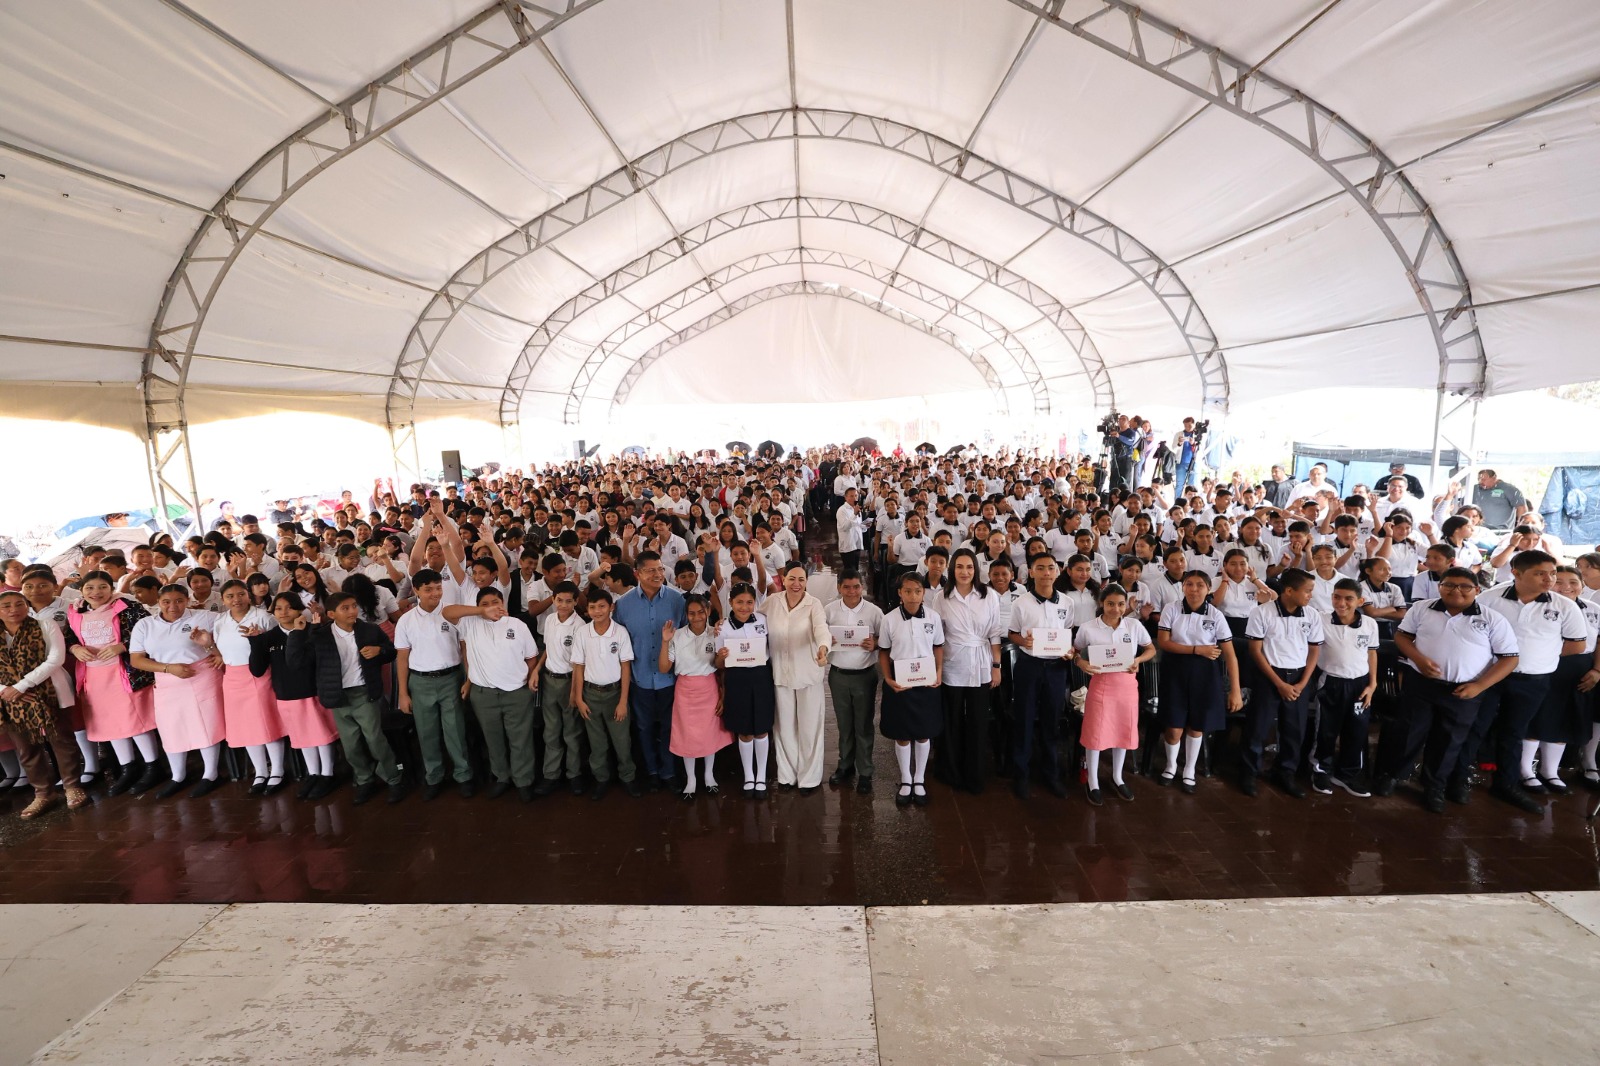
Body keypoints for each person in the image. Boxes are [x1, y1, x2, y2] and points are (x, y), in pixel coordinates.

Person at [1372, 567, 1520, 813]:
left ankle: (1434, 786)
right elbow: (1402, 637)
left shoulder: (1491, 618)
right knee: (1409, 731)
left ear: (1477, 590)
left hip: (1464, 690)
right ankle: (1394, 775)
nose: (1456, 591)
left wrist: (1479, 686)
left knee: (1449, 740)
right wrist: (1418, 659)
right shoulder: (1422, 609)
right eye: (1449, 585)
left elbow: (1509, 658)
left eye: (1464, 586)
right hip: (1421, 683)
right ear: (1440, 587)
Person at [1457, 550, 1588, 812]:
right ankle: (1457, 780)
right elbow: (1470, 631)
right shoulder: (1490, 598)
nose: (1549, 579)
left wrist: (1540, 656)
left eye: (1552, 573)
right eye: (1540, 573)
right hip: (1490, 676)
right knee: (1475, 727)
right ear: (1516, 573)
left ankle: (1505, 784)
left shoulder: (1564, 605)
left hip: (1534, 680)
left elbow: (1576, 644)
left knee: (1514, 732)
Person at [65, 570, 162, 796]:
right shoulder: (76, 610)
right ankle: (128, 768)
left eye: (102, 587)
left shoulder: (127, 606)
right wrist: (75, 648)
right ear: (81, 590)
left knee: (136, 721)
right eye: (90, 588)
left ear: (112, 588)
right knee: (110, 724)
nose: (96, 592)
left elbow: (147, 631)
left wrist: (123, 646)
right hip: (93, 676)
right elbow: (69, 636)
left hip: (124, 673)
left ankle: (153, 766)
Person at [305, 591, 405, 806]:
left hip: (364, 692)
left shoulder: (369, 630)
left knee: (375, 739)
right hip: (339, 696)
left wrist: (379, 650)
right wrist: (304, 632)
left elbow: (391, 651)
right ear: (331, 614)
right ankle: (364, 779)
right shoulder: (322, 635)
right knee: (351, 745)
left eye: (353, 606)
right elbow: (301, 661)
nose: (353, 611)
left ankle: (393, 778)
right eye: (346, 608)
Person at [128, 584, 226, 799]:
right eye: (166, 602)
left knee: (206, 723)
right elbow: (136, 659)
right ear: (158, 602)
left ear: (187, 600)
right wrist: (167, 668)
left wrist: (212, 649)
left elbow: (225, 640)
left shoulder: (206, 617)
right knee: (171, 727)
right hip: (167, 679)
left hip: (202, 675)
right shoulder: (146, 625)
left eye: (179, 601)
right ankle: (178, 775)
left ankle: (211, 773)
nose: (173, 606)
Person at [444, 588, 540, 802]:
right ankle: (501, 777)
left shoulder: (517, 625)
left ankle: (523, 780)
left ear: (503, 602)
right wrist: (480, 611)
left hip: (516, 692)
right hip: (483, 694)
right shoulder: (470, 624)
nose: (491, 606)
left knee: (520, 739)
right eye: (485, 603)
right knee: (493, 738)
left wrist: (521, 679)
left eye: (495, 601)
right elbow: (447, 612)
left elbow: (531, 658)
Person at [0, 590, 89, 818]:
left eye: (19, 604)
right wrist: (6, 691)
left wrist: (21, 686)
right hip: (11, 701)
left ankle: (72, 787)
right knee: (26, 749)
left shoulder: (44, 624)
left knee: (62, 740)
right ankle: (43, 793)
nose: (13, 609)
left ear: (26, 604)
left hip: (49, 692)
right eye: (6, 605)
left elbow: (56, 658)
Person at [1156, 571, 1242, 793]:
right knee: (1174, 726)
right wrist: (1196, 649)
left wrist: (1235, 690)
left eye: (1200, 585)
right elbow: (1164, 642)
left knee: (1197, 726)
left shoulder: (1215, 615)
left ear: (1209, 589)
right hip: (1174, 670)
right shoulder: (1171, 609)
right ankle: (1171, 765)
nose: (1194, 589)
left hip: (1205, 674)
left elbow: (1230, 655)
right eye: (1189, 584)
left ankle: (1189, 770)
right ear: (1182, 587)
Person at [1241, 568, 1324, 799]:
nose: (1310, 596)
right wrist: (1279, 683)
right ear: (1289, 590)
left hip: (1299, 678)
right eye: (1307, 591)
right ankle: (1250, 772)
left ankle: (1285, 772)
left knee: (1293, 730)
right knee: (1257, 727)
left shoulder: (1312, 615)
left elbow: (1314, 650)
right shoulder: (1262, 613)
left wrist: (1303, 682)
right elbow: (1256, 651)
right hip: (1269, 677)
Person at [393, 568, 473, 800]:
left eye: (438, 588)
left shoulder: (451, 613)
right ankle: (434, 776)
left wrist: (468, 678)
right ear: (416, 591)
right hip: (420, 682)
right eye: (428, 589)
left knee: (455, 730)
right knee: (426, 733)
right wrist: (403, 693)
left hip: (451, 678)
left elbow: (465, 649)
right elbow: (402, 658)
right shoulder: (406, 620)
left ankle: (463, 774)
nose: (434, 593)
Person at [253, 593, 341, 800]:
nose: (283, 613)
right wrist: (255, 642)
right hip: (285, 694)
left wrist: (301, 633)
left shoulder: (311, 630)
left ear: (300, 610)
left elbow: (309, 661)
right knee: (302, 737)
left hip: (312, 692)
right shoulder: (269, 636)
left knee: (322, 735)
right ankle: (313, 773)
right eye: (278, 609)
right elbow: (257, 669)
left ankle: (327, 773)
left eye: (289, 608)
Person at [1074, 583, 1155, 805]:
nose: (1116, 609)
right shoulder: (1088, 627)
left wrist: (1138, 660)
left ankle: (1118, 777)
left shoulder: (1133, 625)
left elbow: (1151, 649)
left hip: (1127, 687)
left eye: (1120, 604)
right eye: (1110, 604)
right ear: (1102, 603)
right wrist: (1081, 662)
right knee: (1095, 734)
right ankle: (1093, 781)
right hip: (1101, 686)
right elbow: (1074, 650)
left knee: (1123, 732)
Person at [612, 550, 686, 791]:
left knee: (668, 726)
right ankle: (652, 771)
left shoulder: (677, 600)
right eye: (651, 570)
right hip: (640, 678)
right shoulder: (623, 605)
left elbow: (686, 638)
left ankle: (668, 771)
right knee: (643, 727)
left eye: (661, 569)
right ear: (637, 573)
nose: (658, 574)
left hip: (670, 679)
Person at [1006, 554, 1078, 799]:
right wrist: (1021, 640)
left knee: (1052, 720)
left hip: (1056, 667)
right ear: (1031, 572)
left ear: (1058, 571)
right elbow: (1012, 633)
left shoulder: (1066, 602)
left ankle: (1051, 775)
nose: (1047, 572)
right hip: (1029, 665)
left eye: (1051, 568)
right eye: (1041, 568)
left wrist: (1068, 651)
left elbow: (1067, 632)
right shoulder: (1021, 603)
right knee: (1024, 720)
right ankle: (1021, 776)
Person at [932, 548, 1002, 795]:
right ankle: (950, 770)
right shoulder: (942, 597)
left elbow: (994, 633)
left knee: (977, 721)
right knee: (951, 720)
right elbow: (937, 636)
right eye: (959, 567)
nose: (965, 572)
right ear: (952, 570)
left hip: (981, 663)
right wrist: (938, 668)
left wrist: (996, 666)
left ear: (976, 569)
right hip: (952, 663)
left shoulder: (989, 596)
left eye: (969, 567)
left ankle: (974, 773)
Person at [209, 580, 288, 795]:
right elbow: (219, 648)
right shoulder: (220, 620)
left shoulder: (263, 617)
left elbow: (276, 644)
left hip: (259, 674)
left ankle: (278, 770)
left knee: (266, 722)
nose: (236, 600)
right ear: (223, 599)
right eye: (230, 596)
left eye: (240, 594)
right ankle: (261, 771)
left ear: (248, 595)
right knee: (245, 726)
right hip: (232, 677)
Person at [760, 562, 831, 793]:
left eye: (801, 579)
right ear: (784, 579)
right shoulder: (772, 602)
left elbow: (822, 629)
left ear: (807, 582)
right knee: (784, 728)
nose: (796, 584)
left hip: (808, 674)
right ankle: (787, 775)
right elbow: (753, 622)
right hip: (781, 674)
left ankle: (809, 778)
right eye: (792, 579)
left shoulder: (814, 605)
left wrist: (823, 648)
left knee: (810, 727)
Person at [878, 571, 945, 807]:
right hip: (901, 681)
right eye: (907, 591)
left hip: (926, 679)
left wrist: (938, 672)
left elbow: (938, 646)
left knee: (924, 732)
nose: (912, 596)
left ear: (924, 593)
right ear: (899, 593)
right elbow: (884, 651)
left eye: (917, 591)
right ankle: (906, 778)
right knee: (903, 733)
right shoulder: (890, 619)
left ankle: (919, 779)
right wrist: (887, 678)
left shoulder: (934, 618)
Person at [1533, 567, 1600, 794]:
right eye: (1559, 581)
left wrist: (1597, 670)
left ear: (1583, 584)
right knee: (1537, 717)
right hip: (1544, 666)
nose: (1566, 587)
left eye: (1573, 581)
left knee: (1565, 720)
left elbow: (1598, 642)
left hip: (1579, 670)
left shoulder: (1593, 609)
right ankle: (1524, 770)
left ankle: (1549, 771)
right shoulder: (1537, 605)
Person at [658, 594, 731, 800]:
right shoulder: (677, 635)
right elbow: (664, 668)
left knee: (709, 734)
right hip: (685, 690)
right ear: (686, 615)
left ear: (708, 611)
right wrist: (665, 642)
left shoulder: (715, 633)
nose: (697, 617)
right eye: (692, 613)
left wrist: (723, 695)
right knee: (687, 736)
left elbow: (720, 667)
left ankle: (709, 776)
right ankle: (691, 779)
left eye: (701, 612)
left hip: (709, 687)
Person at [571, 585, 640, 800]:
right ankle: (601, 779)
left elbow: (626, 668)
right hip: (591, 695)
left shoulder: (619, 632)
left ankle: (628, 778)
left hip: (615, 694)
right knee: (597, 743)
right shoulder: (583, 632)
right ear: (587, 610)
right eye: (592, 607)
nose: (597, 611)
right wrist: (579, 698)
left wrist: (623, 701)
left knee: (622, 742)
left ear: (611, 607)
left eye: (602, 606)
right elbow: (579, 668)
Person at [1313, 579, 1379, 797]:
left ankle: (1347, 774)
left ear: (1360, 601)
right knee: (1326, 729)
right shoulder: (1320, 620)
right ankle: (1321, 770)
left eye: (1348, 598)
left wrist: (1372, 683)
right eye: (1337, 597)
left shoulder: (1369, 624)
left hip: (1360, 685)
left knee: (1357, 730)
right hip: (1331, 682)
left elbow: (1371, 653)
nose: (1341, 603)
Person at [824, 571, 882, 793]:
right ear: (839, 588)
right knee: (844, 724)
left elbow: (886, 638)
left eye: (856, 587)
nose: (852, 591)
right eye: (847, 587)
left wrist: (874, 643)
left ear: (862, 587)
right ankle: (845, 765)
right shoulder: (829, 610)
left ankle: (865, 771)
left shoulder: (874, 612)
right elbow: (819, 635)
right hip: (838, 675)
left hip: (864, 675)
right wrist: (826, 640)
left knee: (864, 725)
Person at [715, 582, 774, 798]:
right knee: (744, 730)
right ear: (730, 602)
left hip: (761, 677)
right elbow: (718, 665)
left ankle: (762, 776)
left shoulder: (763, 621)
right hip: (737, 678)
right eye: (739, 602)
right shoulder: (723, 627)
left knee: (762, 727)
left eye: (749, 602)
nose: (744, 607)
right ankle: (749, 775)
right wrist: (721, 655)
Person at [534, 581, 585, 795]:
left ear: (575, 602)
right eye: (559, 600)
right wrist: (537, 669)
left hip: (569, 681)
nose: (563, 605)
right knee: (551, 730)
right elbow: (548, 648)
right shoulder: (550, 620)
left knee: (571, 731)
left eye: (568, 601)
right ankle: (551, 774)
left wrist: (574, 691)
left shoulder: (580, 626)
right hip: (549, 679)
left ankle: (574, 774)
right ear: (553, 600)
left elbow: (578, 663)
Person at [836, 486, 866, 575]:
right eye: (851, 496)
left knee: (855, 569)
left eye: (856, 496)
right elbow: (845, 527)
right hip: (848, 545)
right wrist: (854, 514)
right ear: (845, 497)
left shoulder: (856, 508)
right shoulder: (842, 510)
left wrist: (865, 526)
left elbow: (857, 526)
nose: (854, 498)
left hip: (856, 543)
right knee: (849, 571)